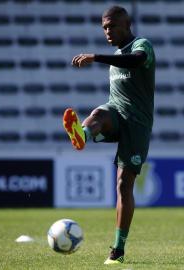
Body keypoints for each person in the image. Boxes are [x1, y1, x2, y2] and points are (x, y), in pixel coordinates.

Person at [62, 5, 155, 265]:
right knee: (99, 114)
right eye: (104, 27)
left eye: (112, 26)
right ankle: (82, 133)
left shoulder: (142, 45)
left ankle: (118, 249)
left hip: (137, 124)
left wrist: (96, 57)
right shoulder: (115, 55)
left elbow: (135, 60)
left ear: (127, 25)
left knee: (123, 186)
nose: (108, 31)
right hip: (116, 115)